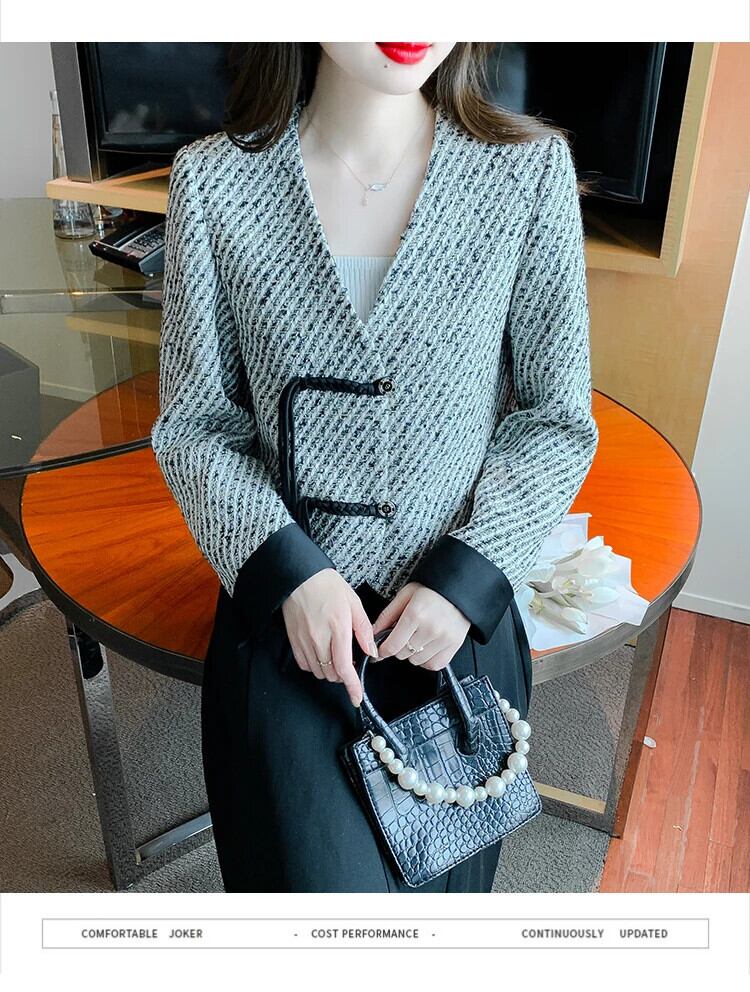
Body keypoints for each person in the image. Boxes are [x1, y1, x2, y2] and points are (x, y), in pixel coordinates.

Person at [150, 41, 599, 892]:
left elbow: (555, 420)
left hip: (454, 632)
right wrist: (291, 574)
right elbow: (197, 428)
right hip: (288, 624)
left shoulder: (526, 174)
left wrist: (466, 581)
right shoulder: (213, 182)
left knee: (443, 906)